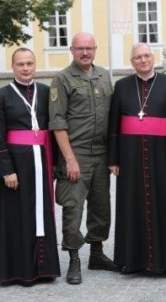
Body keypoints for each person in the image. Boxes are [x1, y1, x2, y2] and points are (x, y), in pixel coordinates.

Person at [108, 43, 166, 275]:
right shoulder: (122, 86)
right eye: (138, 57)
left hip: (162, 154)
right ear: (132, 62)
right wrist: (113, 159)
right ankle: (131, 261)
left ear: (152, 58)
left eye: (146, 56)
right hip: (129, 155)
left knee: (163, 204)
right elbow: (113, 125)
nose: (143, 60)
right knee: (131, 204)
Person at [0, 48, 60, 285]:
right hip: (17, 165)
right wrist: (6, 170)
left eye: (29, 63)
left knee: (42, 212)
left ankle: (44, 269)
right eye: (20, 64)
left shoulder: (47, 92)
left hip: (42, 160)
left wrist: (56, 165)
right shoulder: (1, 97)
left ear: (35, 65)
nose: (26, 68)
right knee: (18, 215)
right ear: (13, 67)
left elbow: (54, 128)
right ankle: (19, 271)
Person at [49, 32, 116, 285]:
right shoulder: (62, 79)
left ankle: (96, 254)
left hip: (100, 153)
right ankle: (74, 258)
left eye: (89, 48)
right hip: (75, 154)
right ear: (72, 50)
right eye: (80, 48)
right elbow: (57, 122)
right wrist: (69, 159)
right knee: (72, 208)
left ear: (95, 49)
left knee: (101, 207)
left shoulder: (104, 76)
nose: (85, 53)